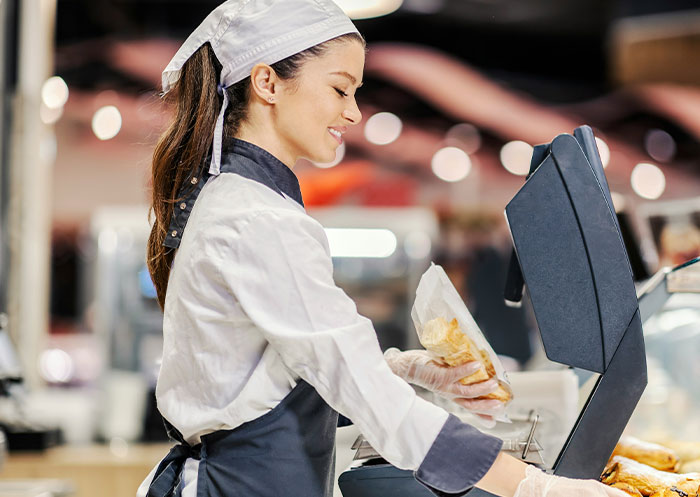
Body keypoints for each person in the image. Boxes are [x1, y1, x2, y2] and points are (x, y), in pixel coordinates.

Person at [138, 1, 630, 496]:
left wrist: (412, 370)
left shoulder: (243, 200)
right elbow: (378, 405)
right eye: (339, 88)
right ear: (267, 83)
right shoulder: (259, 219)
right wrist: (538, 488)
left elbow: (280, 369)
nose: (352, 112)